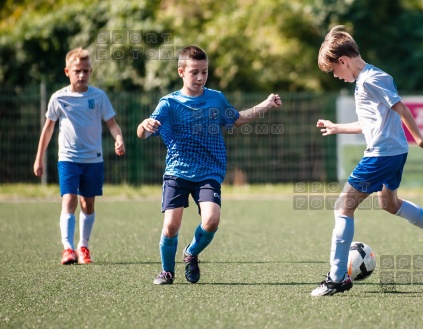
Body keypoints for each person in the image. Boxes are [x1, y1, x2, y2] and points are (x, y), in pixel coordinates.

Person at [310, 25, 423, 297]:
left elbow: (400, 107)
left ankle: (336, 279)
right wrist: (336, 127)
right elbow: (369, 123)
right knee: (389, 203)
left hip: (381, 155)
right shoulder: (366, 79)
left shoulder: (371, 79)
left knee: (343, 207)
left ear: (343, 61)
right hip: (393, 153)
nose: (336, 76)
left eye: (334, 71)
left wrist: (421, 139)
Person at [137, 45, 281, 285]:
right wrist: (144, 124)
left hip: (209, 171)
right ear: (181, 72)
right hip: (177, 172)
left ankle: (191, 253)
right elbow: (142, 133)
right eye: (195, 72)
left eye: (204, 72)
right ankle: (166, 271)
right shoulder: (169, 103)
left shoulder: (216, 98)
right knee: (171, 226)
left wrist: (266, 104)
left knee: (212, 219)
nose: (201, 77)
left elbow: (237, 119)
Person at [33, 47, 126, 265]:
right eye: (77, 71)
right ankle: (68, 249)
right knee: (70, 199)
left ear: (90, 71)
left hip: (93, 159)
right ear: (67, 72)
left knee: (88, 204)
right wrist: (39, 158)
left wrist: (118, 139)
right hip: (68, 158)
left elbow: (112, 124)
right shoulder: (59, 98)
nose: (82, 75)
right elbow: (47, 129)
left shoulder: (99, 96)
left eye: (86, 71)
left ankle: (83, 246)